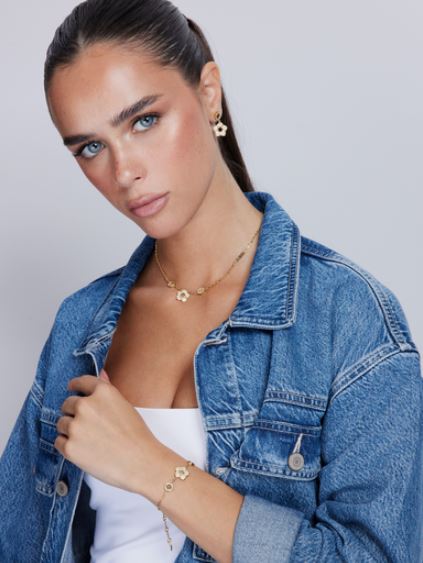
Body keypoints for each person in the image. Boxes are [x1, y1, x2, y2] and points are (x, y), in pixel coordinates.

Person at [1, 0, 422, 561]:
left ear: (208, 93)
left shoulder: (347, 318)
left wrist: (151, 466)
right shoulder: (81, 324)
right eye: (91, 147)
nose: (124, 172)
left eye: (144, 120)